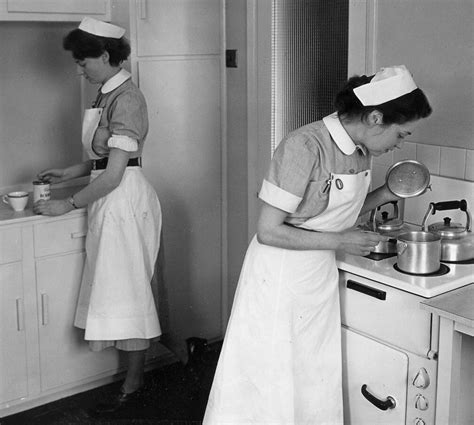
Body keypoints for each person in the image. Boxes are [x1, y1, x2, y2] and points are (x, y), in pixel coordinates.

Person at [203, 65, 432, 424]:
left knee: (311, 373)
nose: (398, 144)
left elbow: (335, 210)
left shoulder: (360, 150)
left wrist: (390, 191)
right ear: (375, 117)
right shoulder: (304, 145)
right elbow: (269, 231)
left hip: (316, 273)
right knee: (271, 377)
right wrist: (342, 240)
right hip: (279, 275)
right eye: (400, 135)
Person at [33, 17, 162, 414]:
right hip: (110, 197)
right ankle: (138, 373)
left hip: (124, 200)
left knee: (130, 293)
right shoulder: (105, 94)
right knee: (117, 288)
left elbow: (117, 172)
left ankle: (136, 381)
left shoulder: (128, 99)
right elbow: (102, 160)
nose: (79, 69)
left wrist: (65, 204)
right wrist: (68, 172)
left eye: (83, 61)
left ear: (105, 56)